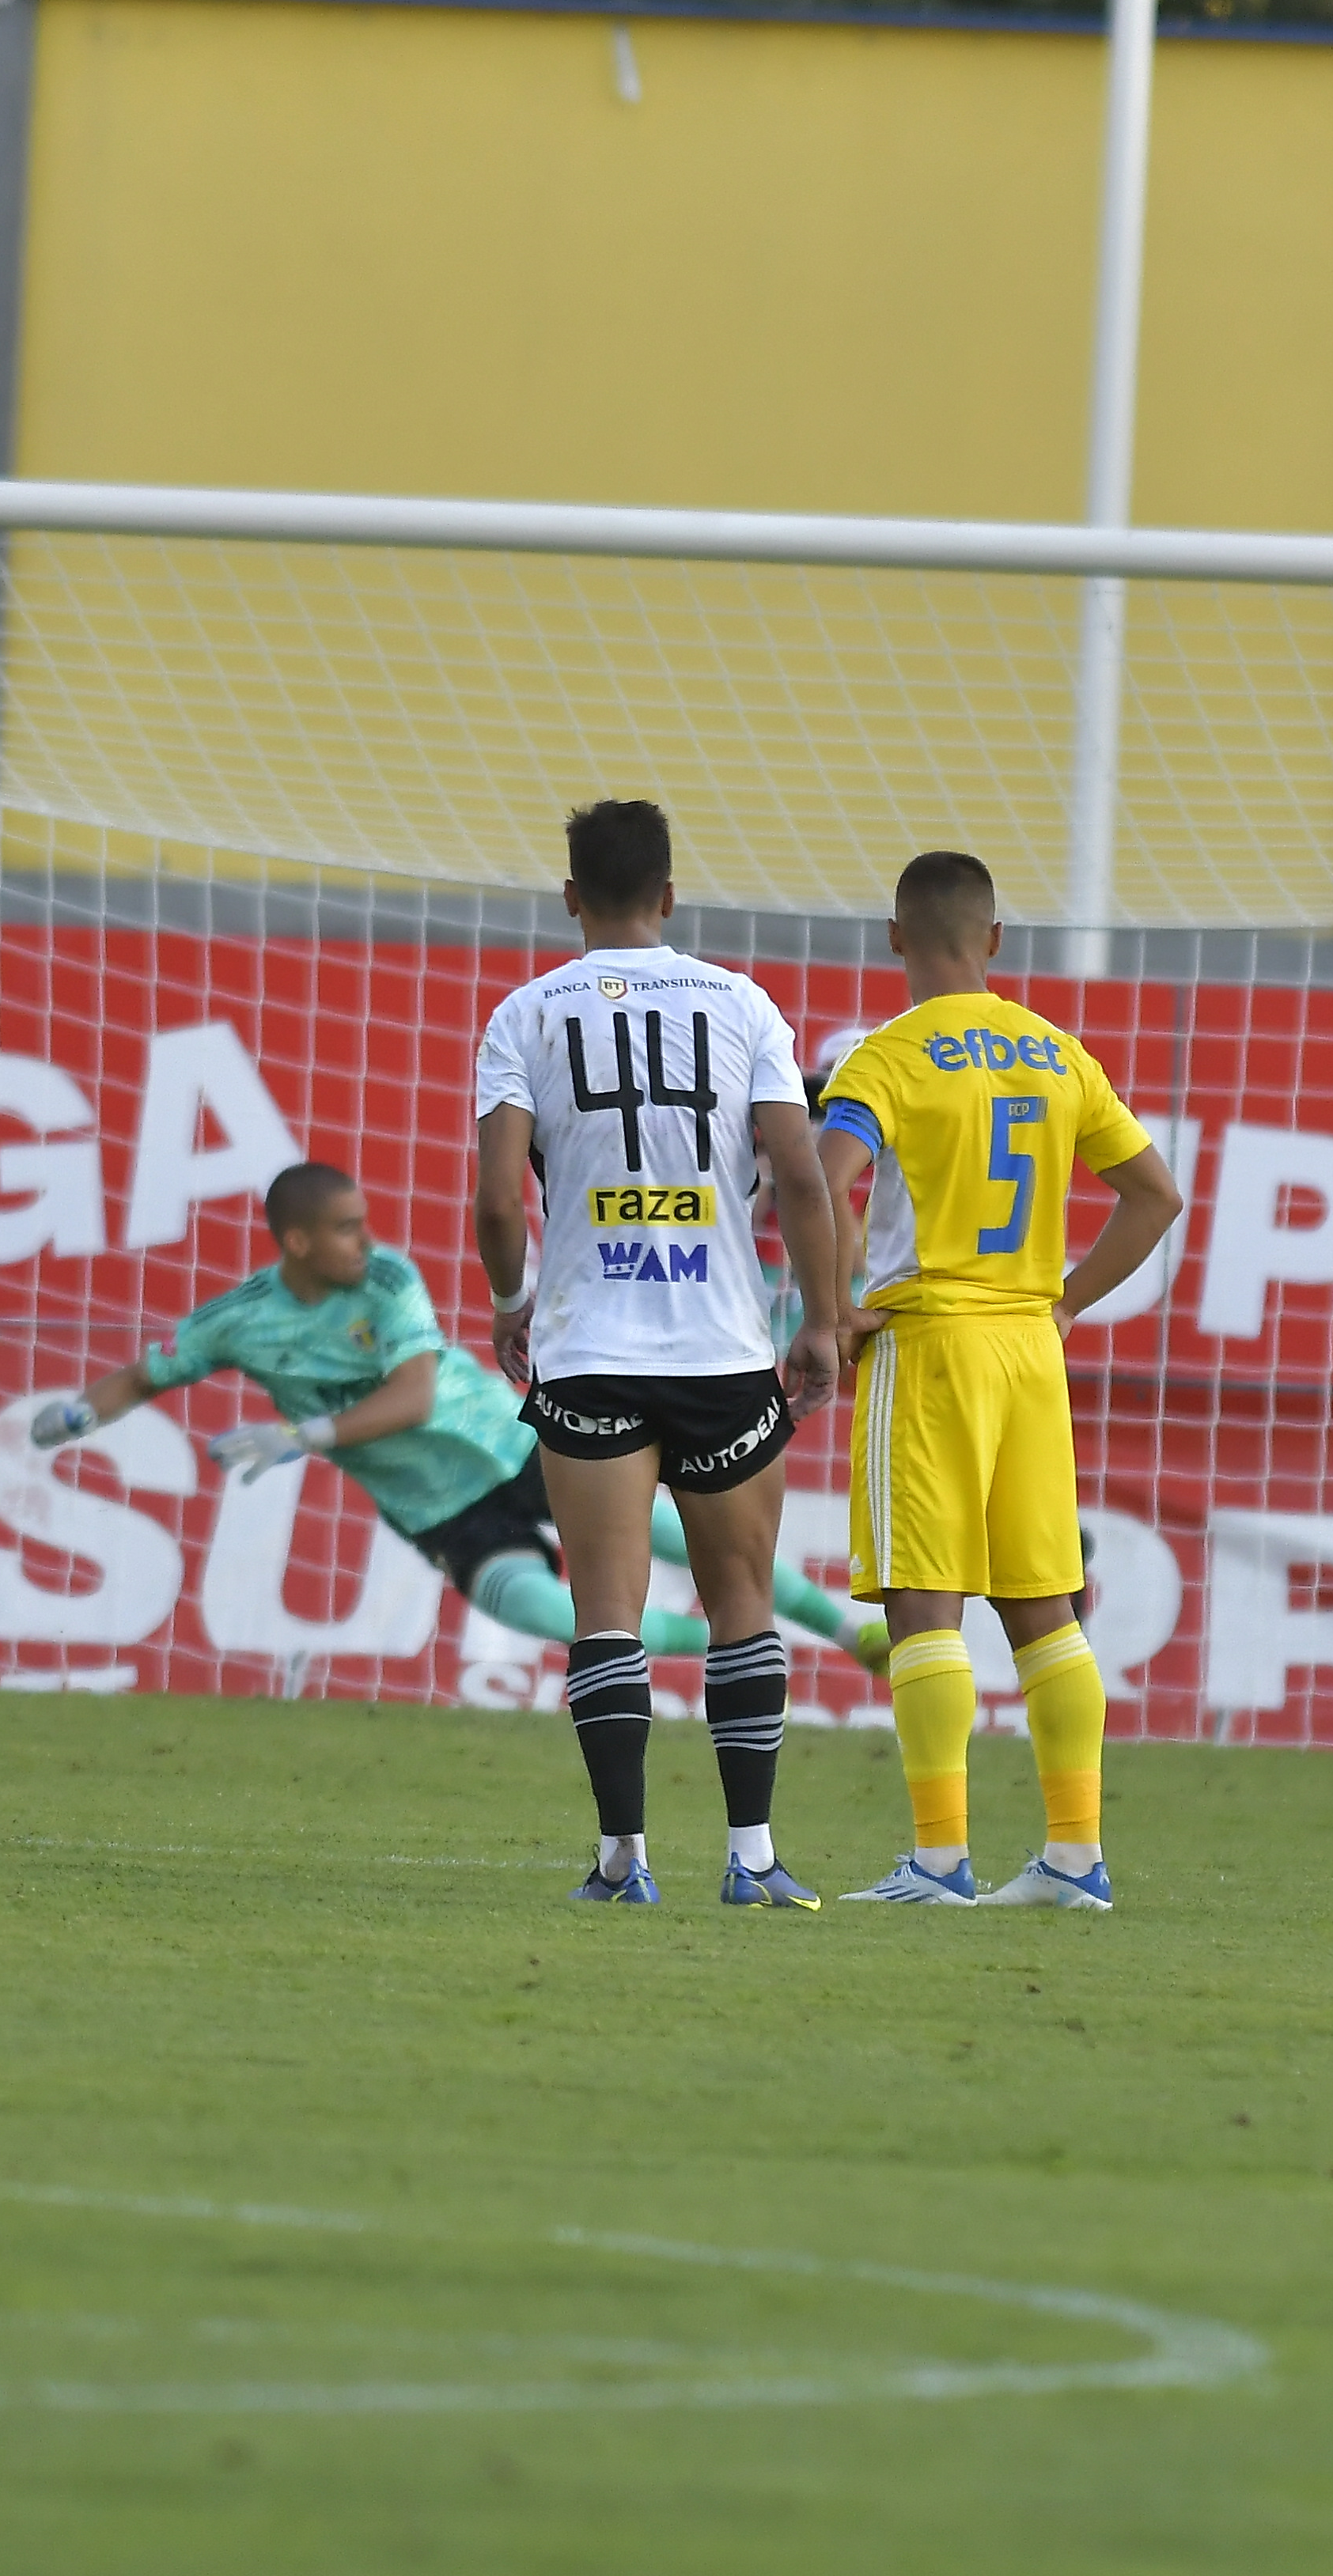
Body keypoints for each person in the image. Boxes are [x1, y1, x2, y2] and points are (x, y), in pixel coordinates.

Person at [30, 1160, 888, 1671]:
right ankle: (729, 1650)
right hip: (438, 1505)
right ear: (295, 1244)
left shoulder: (387, 1280)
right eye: (342, 1229)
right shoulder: (239, 1320)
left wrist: (304, 1434)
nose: (364, 1242)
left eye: (363, 1224)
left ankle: (853, 1633)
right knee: (546, 1614)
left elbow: (416, 1393)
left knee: (694, 1537)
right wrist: (74, 1416)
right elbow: (145, 1375)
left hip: (513, 1444)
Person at [473, 799, 852, 1910]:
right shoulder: (741, 1005)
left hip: (588, 1346)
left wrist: (512, 1300)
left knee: (606, 1608)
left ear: (572, 898)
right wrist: (820, 1321)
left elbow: (501, 1198)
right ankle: (751, 1856)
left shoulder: (526, 1015)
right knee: (741, 1596)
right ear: (673, 897)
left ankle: (623, 1859)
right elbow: (798, 1169)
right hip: (721, 1351)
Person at [816, 851, 1183, 1911]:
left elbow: (823, 1179)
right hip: (1030, 1351)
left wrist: (837, 1309)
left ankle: (938, 1862)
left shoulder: (886, 1059)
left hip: (929, 1346)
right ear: (995, 940)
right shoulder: (1057, 1054)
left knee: (925, 1607)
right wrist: (1064, 1301)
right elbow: (1154, 1196)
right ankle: (1075, 1856)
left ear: (894, 937)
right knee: (1045, 1609)